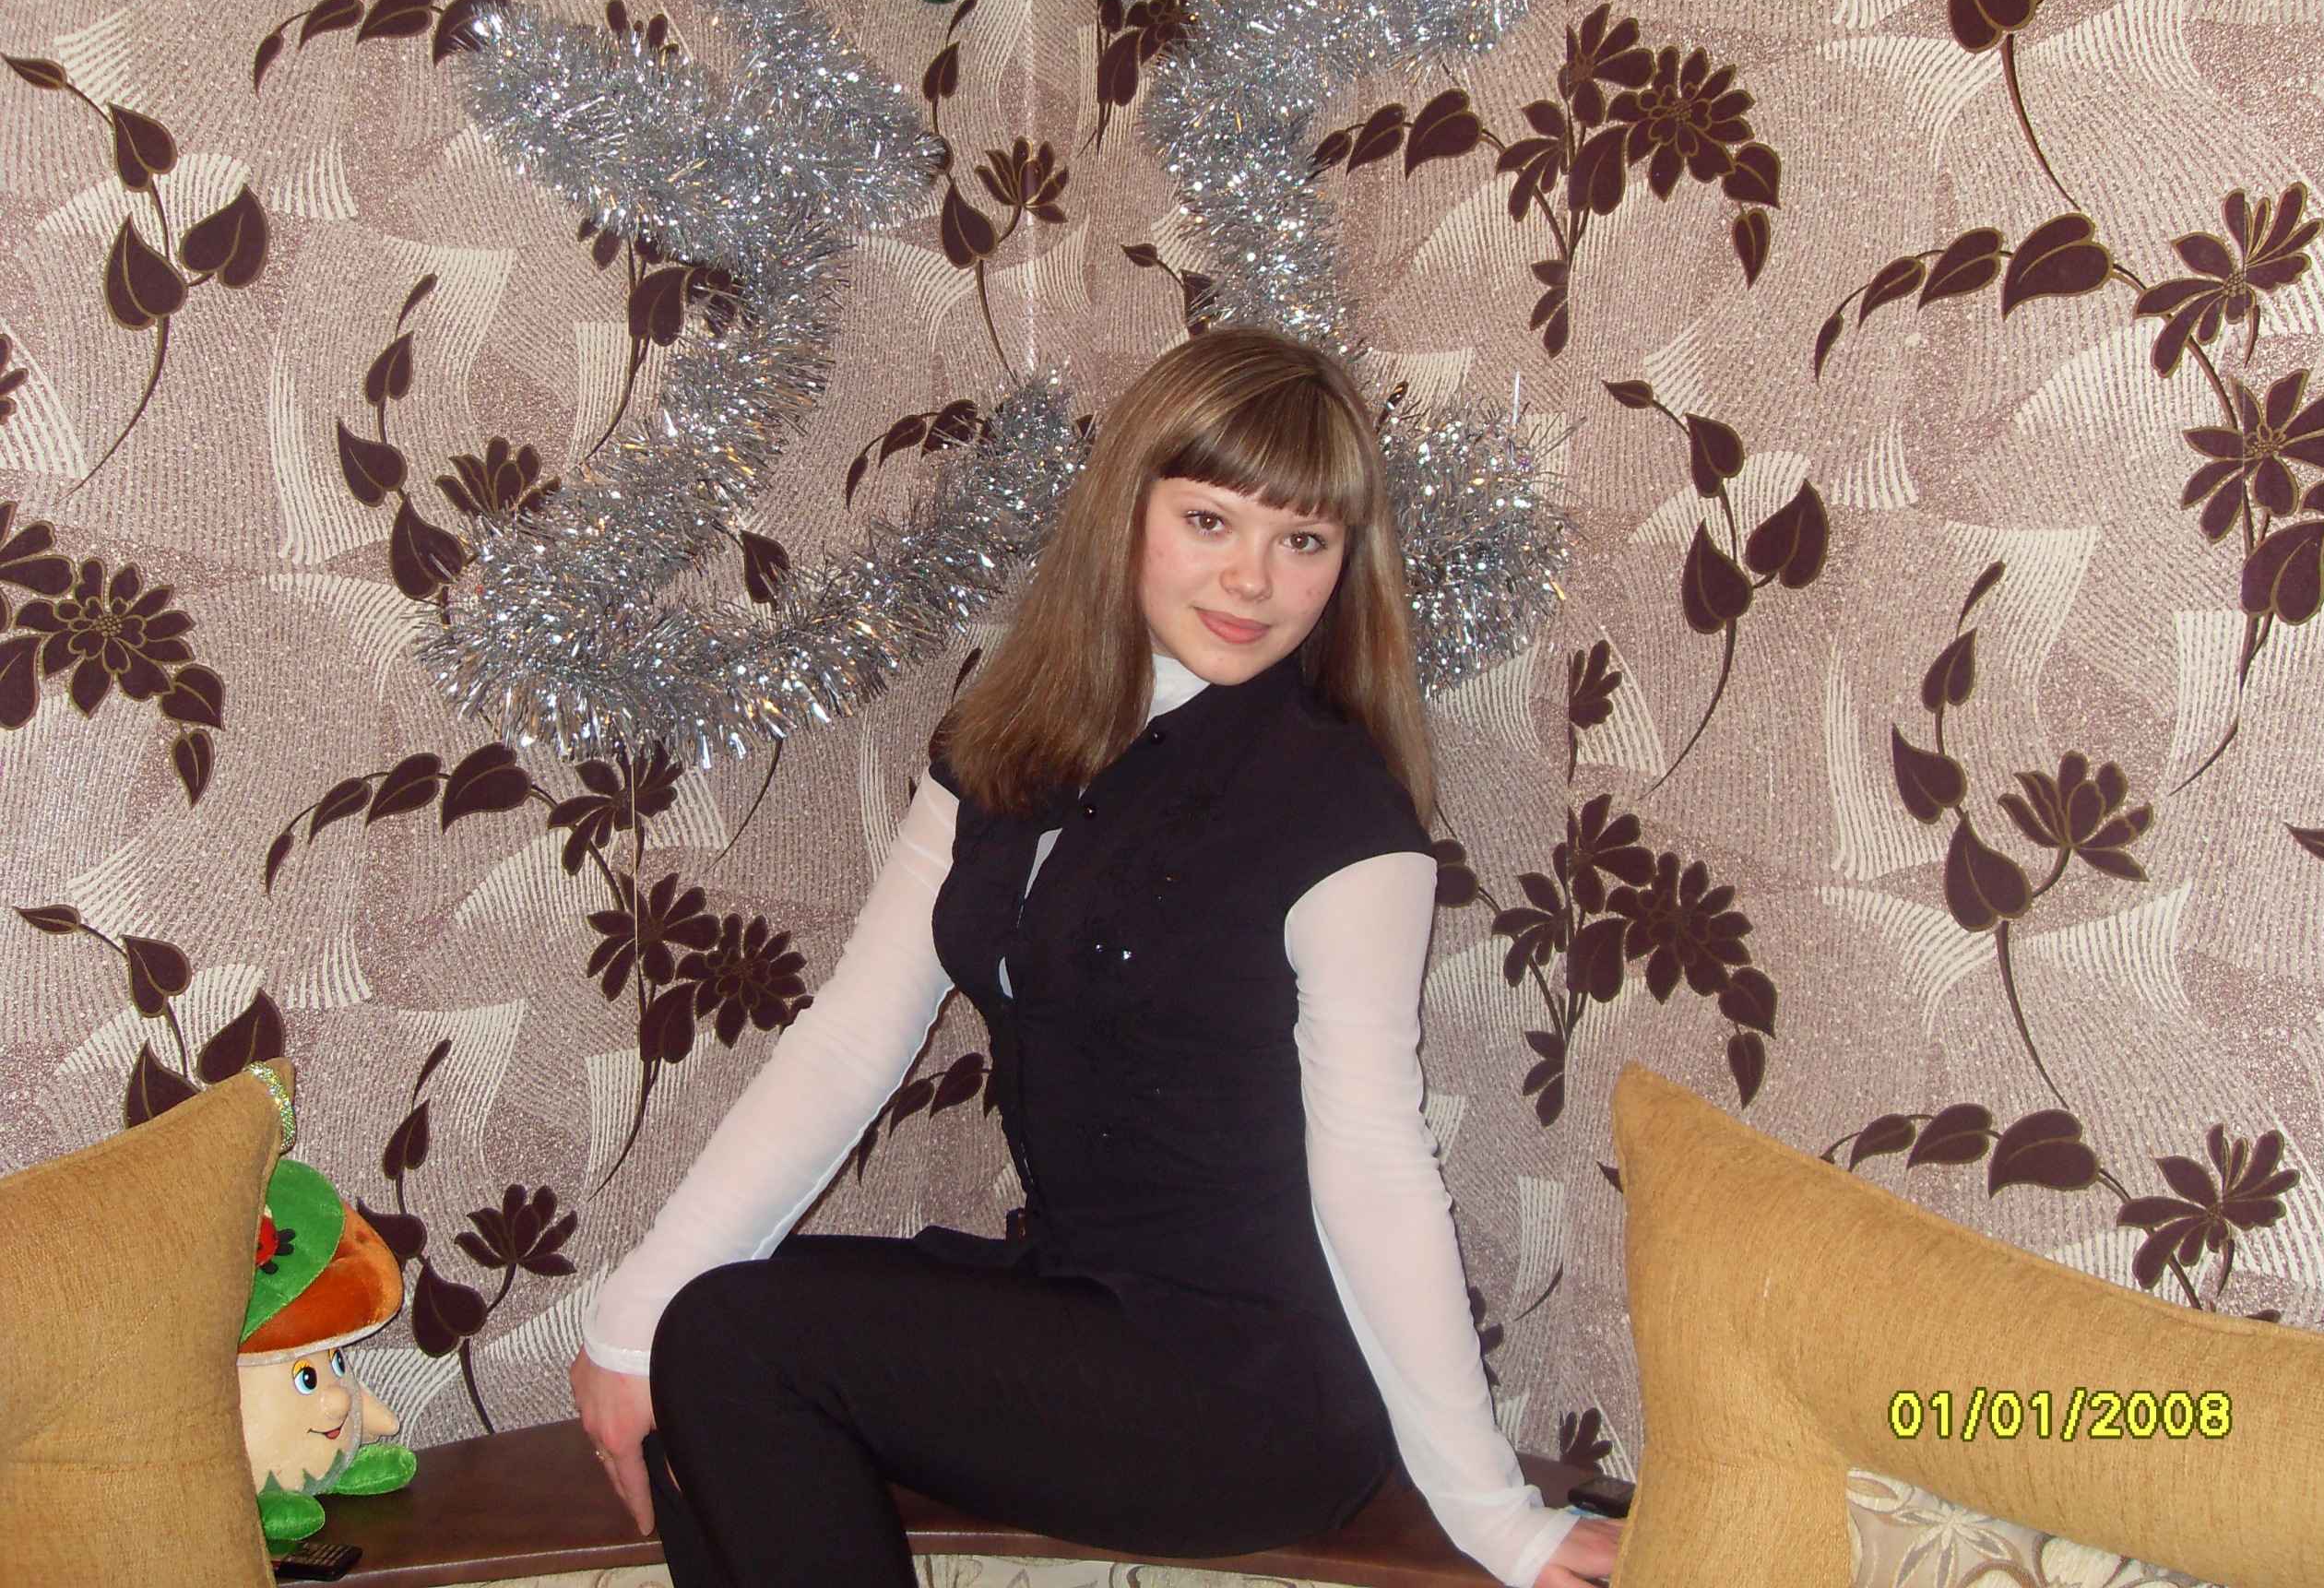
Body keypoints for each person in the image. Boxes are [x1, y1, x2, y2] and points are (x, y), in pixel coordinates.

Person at [570, 328, 1625, 1588]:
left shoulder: (1339, 812)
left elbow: (1377, 1165)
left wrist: (1496, 1512)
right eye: (1209, 520)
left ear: (1346, 563)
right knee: (698, 1322)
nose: (1253, 579)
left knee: (734, 1335)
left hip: (1258, 1389)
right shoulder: (1005, 741)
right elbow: (854, 1036)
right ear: (1127, 511)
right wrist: (628, 1323)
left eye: (1303, 540)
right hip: (1085, 1302)